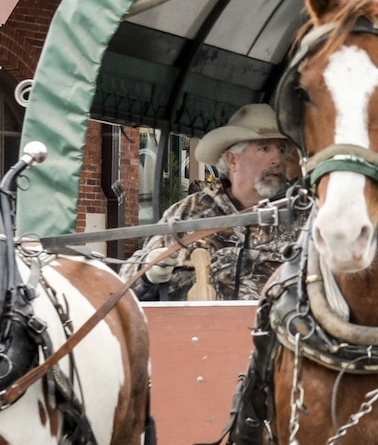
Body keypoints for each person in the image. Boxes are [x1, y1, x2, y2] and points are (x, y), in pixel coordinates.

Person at [123, 104, 302, 302]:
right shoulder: (187, 213)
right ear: (233, 160)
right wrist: (148, 272)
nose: (277, 158)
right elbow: (123, 284)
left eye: (281, 149)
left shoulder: (301, 216)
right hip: (191, 331)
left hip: (272, 331)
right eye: (264, 149)